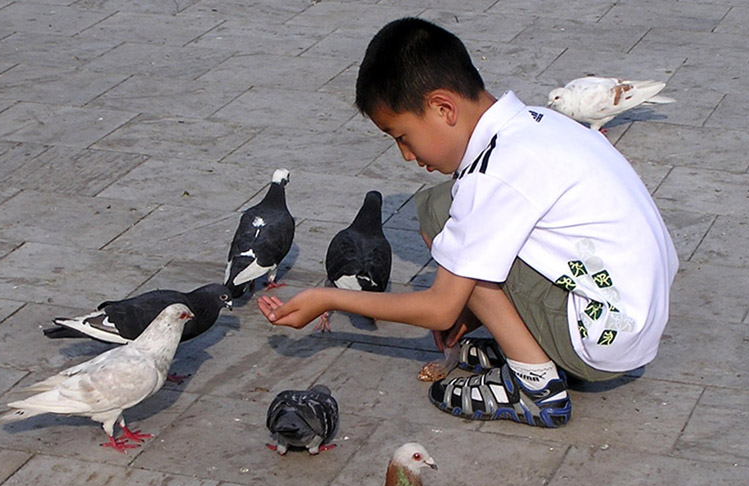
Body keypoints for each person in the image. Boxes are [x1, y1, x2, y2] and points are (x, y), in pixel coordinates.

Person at [257, 17, 678, 428]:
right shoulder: (538, 122)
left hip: (600, 342)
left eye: (401, 136)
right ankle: (530, 344)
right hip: (634, 321)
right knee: (444, 205)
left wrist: (327, 299)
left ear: (443, 108)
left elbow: (439, 310)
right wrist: (477, 312)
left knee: (444, 218)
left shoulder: (492, 173)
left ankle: (536, 386)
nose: (406, 154)